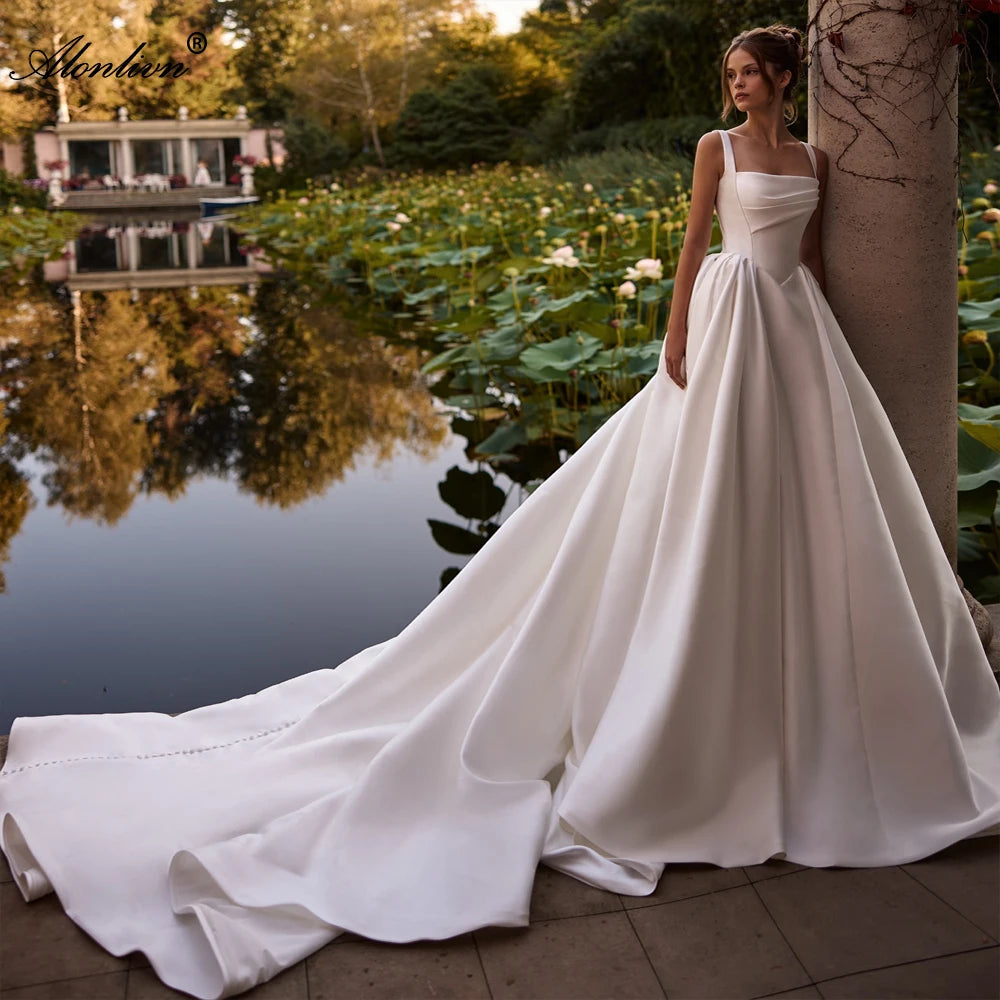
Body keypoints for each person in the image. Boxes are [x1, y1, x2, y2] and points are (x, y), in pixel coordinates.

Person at [2, 22, 999, 1000]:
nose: (737, 85)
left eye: (751, 73)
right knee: (698, 503)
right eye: (731, 72)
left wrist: (823, 335)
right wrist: (674, 340)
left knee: (809, 509)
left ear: (785, 77)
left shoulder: (816, 155)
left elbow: (813, 258)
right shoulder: (716, 147)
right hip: (728, 321)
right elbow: (695, 242)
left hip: (794, 330)